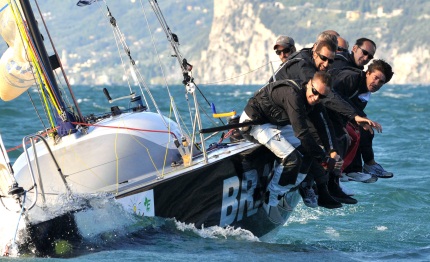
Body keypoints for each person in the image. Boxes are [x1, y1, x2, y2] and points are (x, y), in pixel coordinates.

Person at [240, 72, 344, 223]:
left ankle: (288, 186)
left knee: (307, 152)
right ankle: (272, 198)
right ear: (309, 84)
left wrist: (332, 151)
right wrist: (324, 158)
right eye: (315, 92)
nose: (316, 98)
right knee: (292, 158)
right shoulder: (293, 95)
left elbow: (324, 125)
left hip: (277, 124)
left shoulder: (314, 101)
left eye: (321, 96)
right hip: (255, 123)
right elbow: (302, 133)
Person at [330, 60, 394, 179]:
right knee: (355, 133)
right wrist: (359, 116)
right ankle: (350, 170)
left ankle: (366, 166)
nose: (376, 83)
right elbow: (333, 95)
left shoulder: (365, 90)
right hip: (325, 109)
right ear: (367, 73)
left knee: (366, 131)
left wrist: (362, 118)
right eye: (375, 78)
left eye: (381, 82)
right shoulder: (351, 78)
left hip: (341, 114)